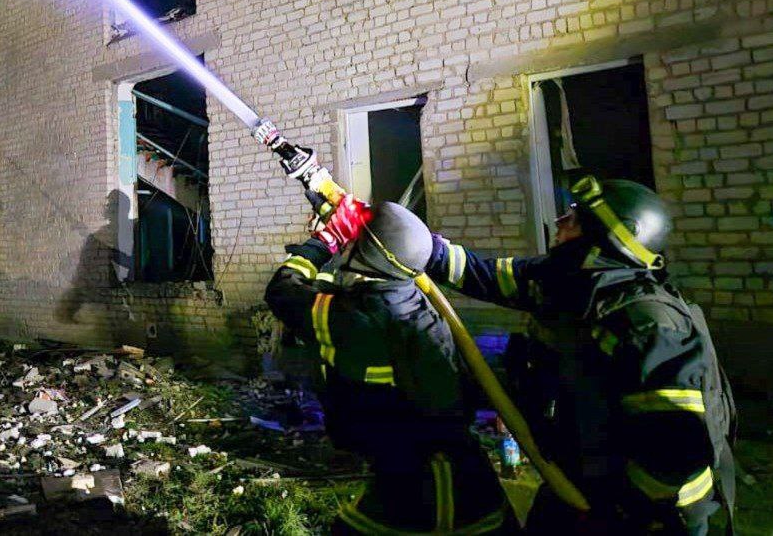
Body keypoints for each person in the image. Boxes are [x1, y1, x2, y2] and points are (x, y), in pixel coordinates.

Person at [425, 175, 736, 534]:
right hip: (578, 482)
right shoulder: (568, 283)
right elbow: (486, 275)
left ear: (611, 235)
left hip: (644, 513)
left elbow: (675, 450)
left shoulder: (645, 322)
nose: (559, 221)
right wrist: (427, 249)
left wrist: (622, 509)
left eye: (573, 218)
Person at [265, 195, 516, 534]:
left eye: (354, 241)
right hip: (436, 474)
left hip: (432, 491)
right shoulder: (398, 298)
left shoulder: (357, 318)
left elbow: (283, 291)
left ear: (367, 254)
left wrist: (325, 241)